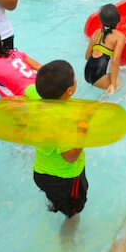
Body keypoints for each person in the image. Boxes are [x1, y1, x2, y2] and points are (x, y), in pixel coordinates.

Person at [23, 61, 88, 233]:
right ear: (69, 90)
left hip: (41, 173)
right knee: (73, 213)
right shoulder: (64, 122)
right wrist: (83, 133)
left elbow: (27, 90)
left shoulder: (34, 94)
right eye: (74, 78)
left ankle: (57, 203)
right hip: (65, 178)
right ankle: (67, 240)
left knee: (56, 198)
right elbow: (70, 157)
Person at [84, 4, 126, 93]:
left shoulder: (96, 32)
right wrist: (113, 85)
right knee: (122, 89)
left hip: (87, 73)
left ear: (101, 20)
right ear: (118, 19)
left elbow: (87, 56)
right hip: (99, 75)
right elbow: (115, 61)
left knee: (119, 75)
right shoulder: (119, 37)